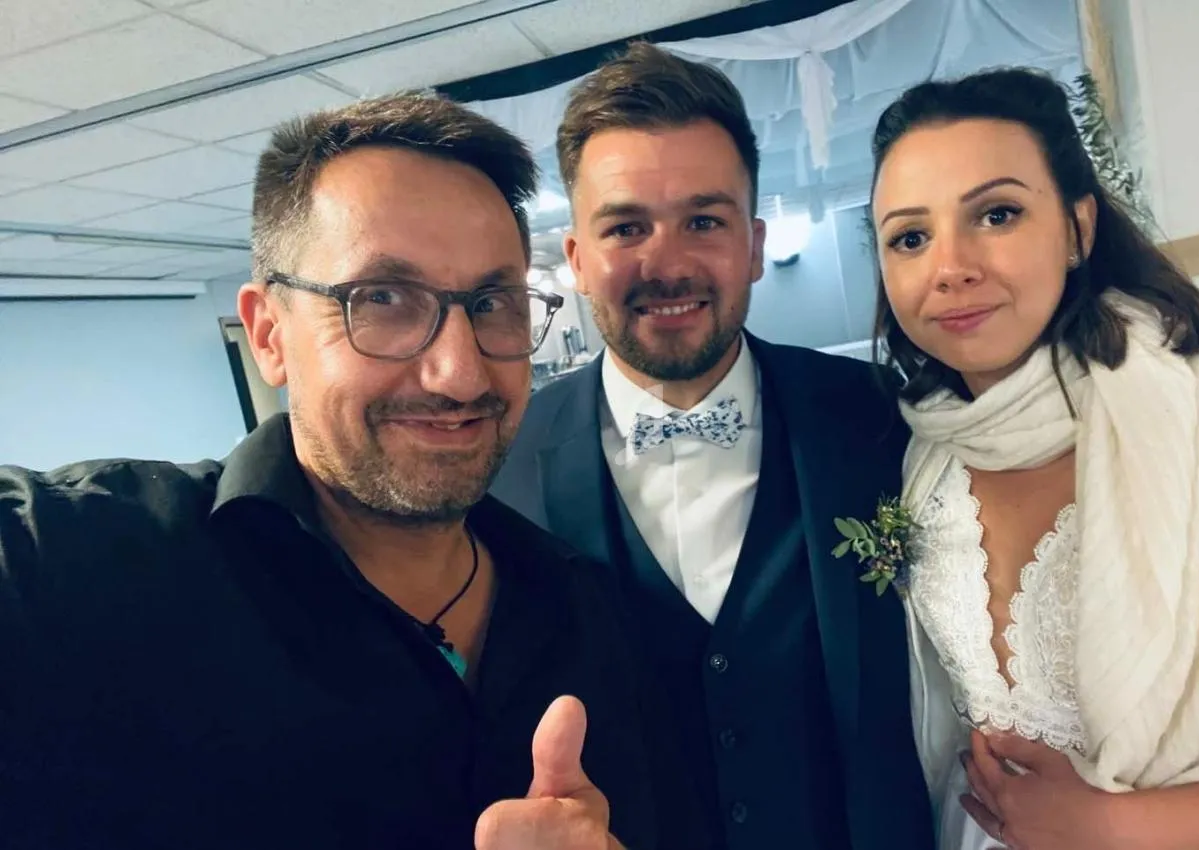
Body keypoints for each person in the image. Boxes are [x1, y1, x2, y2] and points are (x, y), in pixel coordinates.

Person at [0, 92, 661, 850]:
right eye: (381, 298)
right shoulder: (69, 573)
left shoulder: (585, 609)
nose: (458, 373)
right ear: (268, 334)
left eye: (490, 302)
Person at [489, 42, 935, 850]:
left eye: (704, 221)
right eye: (627, 226)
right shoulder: (499, 466)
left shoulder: (881, 419)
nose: (667, 264)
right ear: (578, 261)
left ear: (754, 246)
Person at [867, 66, 1199, 850]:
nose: (950, 267)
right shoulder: (922, 455)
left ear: (1078, 228)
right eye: (910, 237)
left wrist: (1113, 826)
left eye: (997, 214)